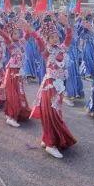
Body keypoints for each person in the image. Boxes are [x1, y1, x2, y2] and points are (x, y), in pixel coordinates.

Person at [31, 22, 76, 158]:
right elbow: (39, 41)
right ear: (47, 39)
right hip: (50, 86)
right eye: (51, 37)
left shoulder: (62, 48)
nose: (55, 39)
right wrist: (32, 31)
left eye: (56, 36)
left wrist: (67, 23)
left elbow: (68, 37)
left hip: (59, 86)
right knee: (51, 114)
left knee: (56, 113)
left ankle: (47, 138)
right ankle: (50, 144)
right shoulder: (46, 51)